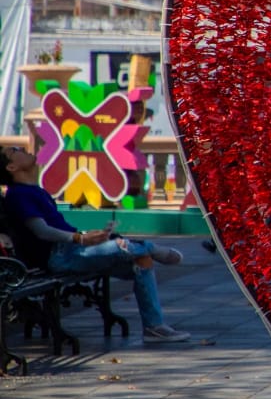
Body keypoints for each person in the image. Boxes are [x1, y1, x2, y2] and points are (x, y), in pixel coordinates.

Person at [0, 144, 190, 343]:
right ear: (11, 167)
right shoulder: (18, 195)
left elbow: (61, 230)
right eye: (14, 150)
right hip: (58, 256)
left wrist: (87, 236)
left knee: (141, 259)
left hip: (73, 249)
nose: (21, 148)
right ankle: (152, 247)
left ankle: (154, 327)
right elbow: (42, 231)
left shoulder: (35, 190)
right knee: (125, 247)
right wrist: (80, 238)